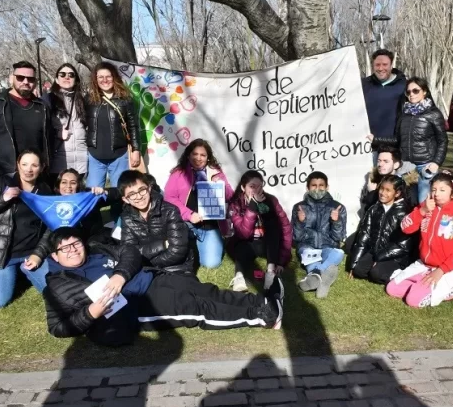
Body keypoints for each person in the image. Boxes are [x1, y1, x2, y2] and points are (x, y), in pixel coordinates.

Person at [42, 228, 284, 346]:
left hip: (154, 278)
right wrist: (91, 313)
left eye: (75, 243)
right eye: (65, 248)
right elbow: (57, 327)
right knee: (196, 308)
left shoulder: (97, 248)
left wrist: (120, 275)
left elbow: (129, 251)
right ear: (54, 256)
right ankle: (260, 317)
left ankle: (260, 302)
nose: (73, 250)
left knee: (205, 290)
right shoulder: (57, 285)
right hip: (138, 305)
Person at [0, 149, 53, 308]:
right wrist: (3, 199)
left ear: (42, 167)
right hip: (3, 254)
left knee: (55, 290)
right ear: (18, 165)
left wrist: (38, 254)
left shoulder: (45, 191)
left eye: (34, 165)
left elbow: (50, 227)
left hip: (31, 253)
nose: (29, 169)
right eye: (24, 164)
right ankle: (15, 273)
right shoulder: (2, 183)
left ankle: (23, 271)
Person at [386, 173, 453, 308]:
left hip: (447, 268)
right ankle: (422, 284)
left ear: (452, 192)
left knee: (413, 301)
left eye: (442, 190)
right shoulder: (426, 206)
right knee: (392, 289)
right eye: (434, 190)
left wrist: (441, 270)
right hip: (424, 264)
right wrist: (422, 211)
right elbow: (405, 228)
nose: (437, 194)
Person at [23, 168, 121, 271]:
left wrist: (105, 192)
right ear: (58, 185)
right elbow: (50, 233)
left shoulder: (88, 196)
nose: (68, 187)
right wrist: (37, 255)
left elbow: (120, 192)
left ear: (78, 185)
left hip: (94, 244)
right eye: (64, 182)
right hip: (71, 249)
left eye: (73, 183)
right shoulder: (54, 205)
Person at [163, 139, 234, 269]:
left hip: (210, 225)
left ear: (208, 158)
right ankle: (190, 242)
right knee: (182, 257)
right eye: (195, 154)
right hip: (186, 223)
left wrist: (221, 186)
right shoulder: (178, 173)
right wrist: (189, 214)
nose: (198, 158)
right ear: (188, 155)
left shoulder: (216, 172)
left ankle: (200, 244)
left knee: (211, 264)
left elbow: (230, 196)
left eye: (203, 155)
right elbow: (169, 198)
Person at [375, 77, 447, 204]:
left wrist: (436, 162)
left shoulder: (434, 114)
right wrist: (375, 139)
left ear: (424, 91)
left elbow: (442, 140)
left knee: (423, 203)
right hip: (406, 166)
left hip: (425, 165)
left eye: (415, 91)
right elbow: (397, 139)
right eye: (408, 92)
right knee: (401, 202)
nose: (411, 94)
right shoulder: (404, 115)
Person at [0, 61, 52, 179]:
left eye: (30, 79)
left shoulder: (43, 106)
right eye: (20, 78)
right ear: (11, 78)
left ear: (35, 82)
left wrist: (45, 166)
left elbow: (48, 139)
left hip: (38, 173)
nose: (25, 82)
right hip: (8, 173)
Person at [227, 170, 292, 292]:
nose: (256, 190)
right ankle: (239, 277)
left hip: (266, 244)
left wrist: (282, 260)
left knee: (273, 224)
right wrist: (252, 207)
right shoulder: (236, 204)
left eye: (260, 186)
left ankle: (270, 272)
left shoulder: (271, 200)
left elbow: (285, 227)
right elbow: (243, 233)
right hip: (247, 243)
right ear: (243, 187)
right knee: (241, 246)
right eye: (252, 187)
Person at [86, 62, 144, 196]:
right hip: (96, 156)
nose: (105, 80)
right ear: (95, 79)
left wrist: (136, 150)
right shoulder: (89, 99)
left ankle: (119, 218)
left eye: (108, 76)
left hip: (119, 156)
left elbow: (133, 126)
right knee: (92, 196)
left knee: (120, 195)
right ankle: (97, 218)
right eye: (101, 77)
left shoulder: (125, 99)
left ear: (115, 77)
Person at [119, 170, 193, 275]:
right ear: (125, 199)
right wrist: (162, 245)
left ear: (149, 188)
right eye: (132, 194)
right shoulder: (126, 218)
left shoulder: (170, 211)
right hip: (145, 269)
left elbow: (177, 251)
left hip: (177, 267)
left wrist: (146, 264)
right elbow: (129, 252)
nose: (139, 196)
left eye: (142, 190)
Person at [348, 175, 415, 284]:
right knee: (358, 270)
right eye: (381, 188)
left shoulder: (404, 213)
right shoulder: (374, 209)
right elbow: (363, 235)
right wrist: (353, 264)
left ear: (397, 193)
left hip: (395, 257)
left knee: (376, 274)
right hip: (374, 252)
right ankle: (375, 268)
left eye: (388, 190)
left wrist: (379, 257)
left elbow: (403, 246)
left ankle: (399, 274)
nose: (382, 193)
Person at [291, 172, 347, 298]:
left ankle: (315, 274)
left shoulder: (338, 207)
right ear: (307, 188)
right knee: (308, 255)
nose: (317, 188)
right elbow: (297, 238)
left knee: (339, 253)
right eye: (313, 185)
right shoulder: (299, 207)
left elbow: (338, 237)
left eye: (321, 185)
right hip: (307, 247)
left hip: (328, 246)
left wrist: (336, 221)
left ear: (327, 187)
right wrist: (300, 222)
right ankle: (324, 275)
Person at [362, 49, 406, 164]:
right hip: (367, 148)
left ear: (391, 65)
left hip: (393, 148)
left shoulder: (404, 86)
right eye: (377, 65)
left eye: (385, 64)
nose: (381, 68)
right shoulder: (363, 85)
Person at [47, 64, 88, 182]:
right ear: (56, 79)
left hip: (82, 163)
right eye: (62, 74)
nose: (67, 77)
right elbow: (41, 128)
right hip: (59, 164)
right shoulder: (48, 100)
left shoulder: (83, 101)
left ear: (76, 81)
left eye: (71, 75)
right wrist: (57, 133)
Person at [360, 146, 417, 213]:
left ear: (396, 165)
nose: (380, 164)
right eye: (379, 161)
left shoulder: (406, 186)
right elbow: (368, 210)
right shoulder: (374, 180)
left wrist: (372, 192)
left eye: (386, 161)